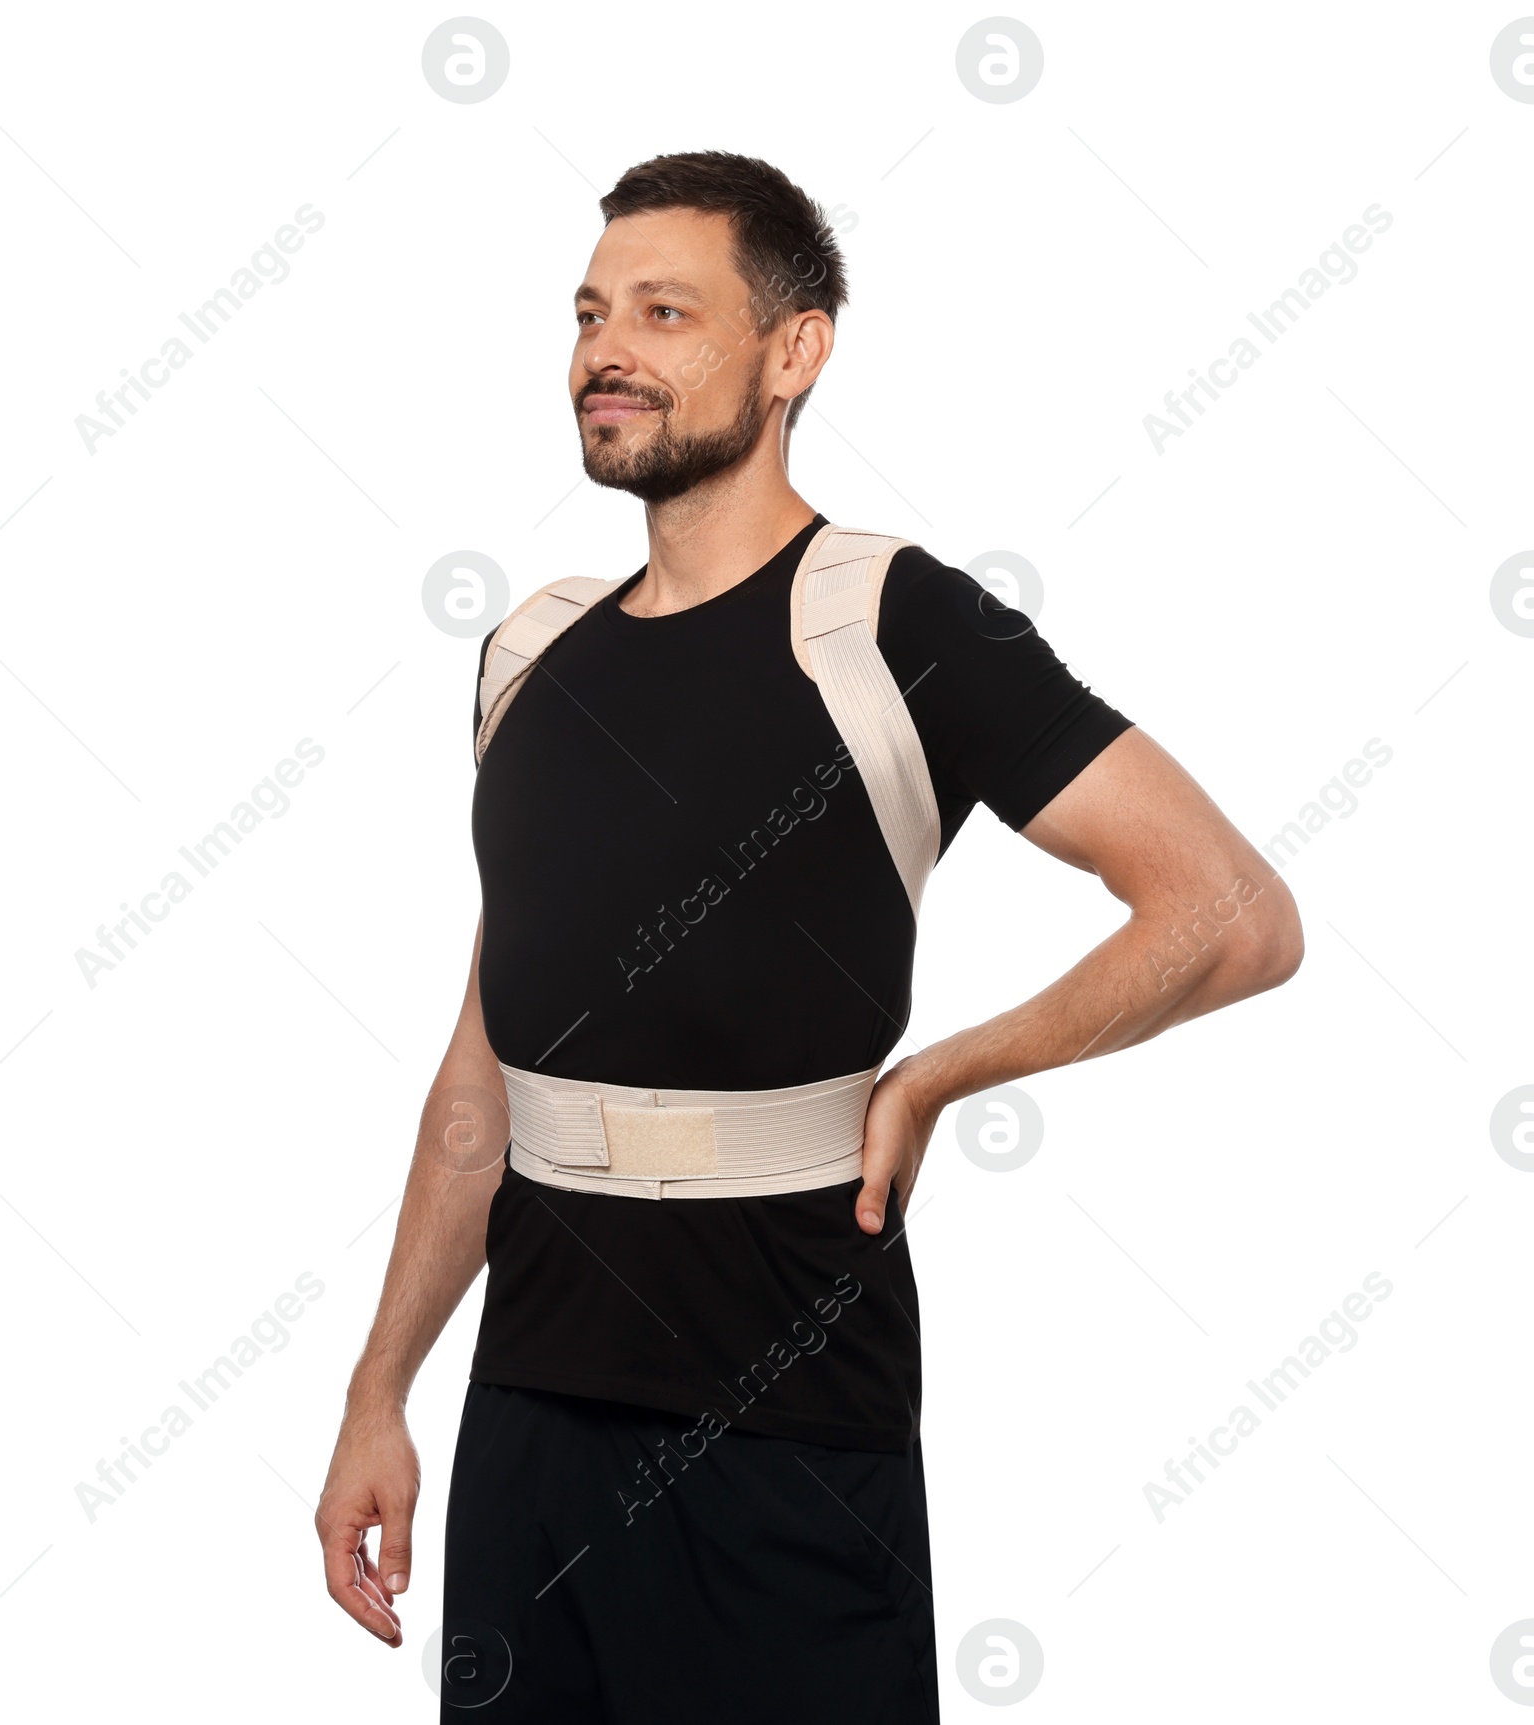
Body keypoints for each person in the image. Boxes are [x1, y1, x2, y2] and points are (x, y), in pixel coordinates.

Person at [316, 150, 1303, 1723]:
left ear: (796, 351)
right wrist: (379, 1391)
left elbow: (1235, 913)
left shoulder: (897, 625)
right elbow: (478, 1083)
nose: (604, 348)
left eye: (663, 309)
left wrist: (938, 1079)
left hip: (788, 1434)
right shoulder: (528, 655)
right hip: (528, 1430)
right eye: (587, 312)